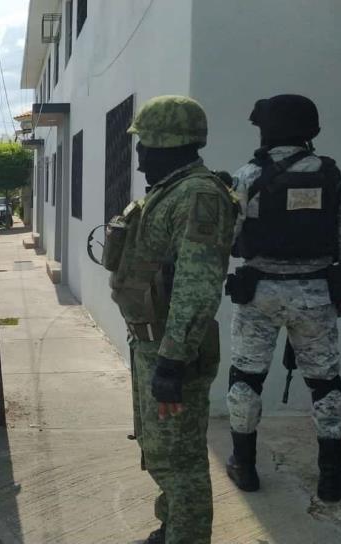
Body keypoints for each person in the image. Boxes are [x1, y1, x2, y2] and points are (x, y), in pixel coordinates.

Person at [106, 95, 236, 544]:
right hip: (154, 344)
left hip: (172, 350)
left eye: (144, 145)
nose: (138, 157)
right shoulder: (172, 189)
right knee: (160, 451)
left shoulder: (198, 196)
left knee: (180, 460)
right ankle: (172, 527)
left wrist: (173, 361)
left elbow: (197, 286)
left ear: (167, 143)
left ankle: (188, 536)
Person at [225, 94, 341, 503]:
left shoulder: (246, 177)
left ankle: (245, 466)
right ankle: (332, 475)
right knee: (325, 383)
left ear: (267, 129)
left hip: (259, 294)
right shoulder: (338, 177)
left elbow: (227, 237)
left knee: (246, 378)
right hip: (317, 294)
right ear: (311, 130)